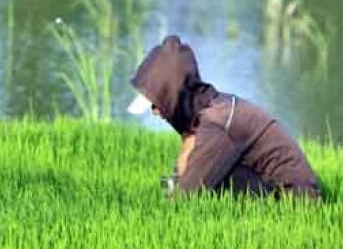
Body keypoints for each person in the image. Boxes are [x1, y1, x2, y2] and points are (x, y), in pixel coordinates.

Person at [128, 35, 321, 199]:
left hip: (296, 201)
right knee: (200, 169)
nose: (154, 111)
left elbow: (184, 196)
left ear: (175, 97)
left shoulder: (217, 123)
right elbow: (179, 174)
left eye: (156, 104)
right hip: (279, 189)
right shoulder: (214, 106)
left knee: (209, 180)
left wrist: (166, 194)